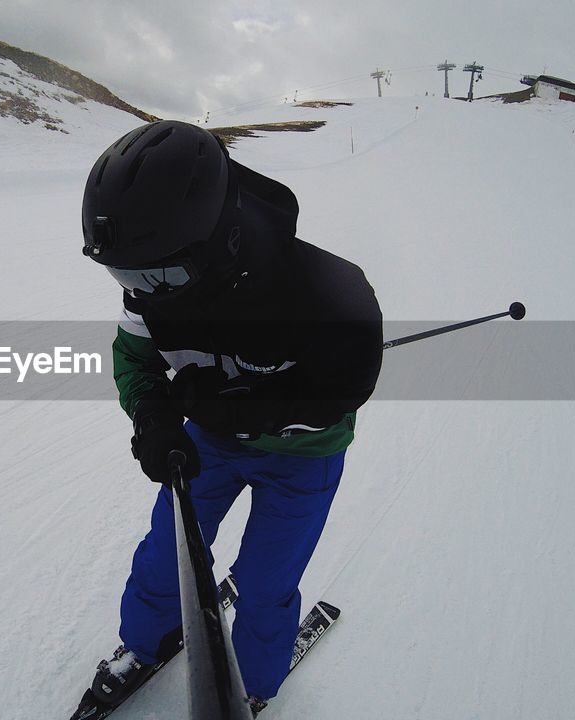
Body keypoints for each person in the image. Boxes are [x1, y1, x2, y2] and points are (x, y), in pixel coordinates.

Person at [79, 120, 383, 715]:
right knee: (166, 553)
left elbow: (345, 392)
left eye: (155, 274)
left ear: (219, 239)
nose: (140, 291)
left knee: (266, 584)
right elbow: (135, 361)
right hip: (209, 442)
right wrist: (152, 417)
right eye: (124, 275)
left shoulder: (326, 292)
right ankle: (143, 644)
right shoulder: (151, 282)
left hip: (303, 458)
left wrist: (253, 406)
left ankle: (251, 686)